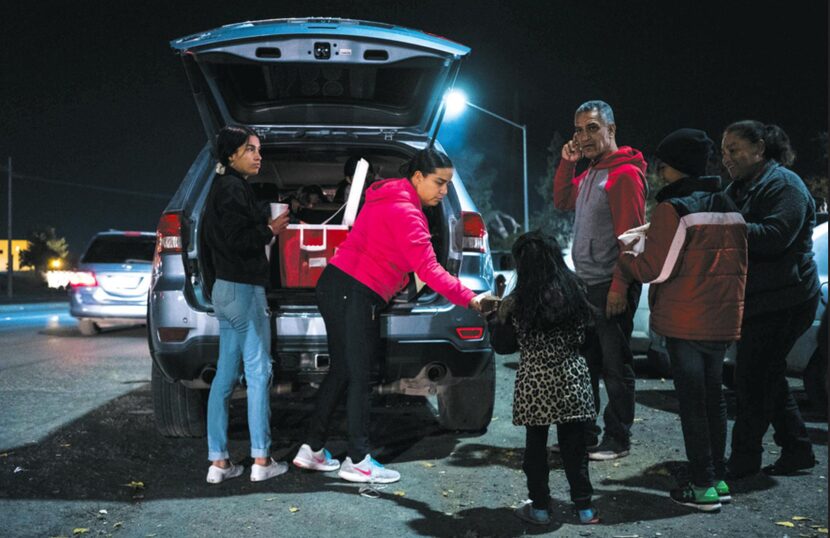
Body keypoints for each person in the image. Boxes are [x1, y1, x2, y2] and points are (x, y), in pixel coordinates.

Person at [292, 148, 485, 483]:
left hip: (336, 285)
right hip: (353, 291)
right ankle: (358, 460)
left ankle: (311, 448)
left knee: (342, 371)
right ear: (418, 177)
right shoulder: (407, 213)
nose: (443, 191)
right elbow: (430, 270)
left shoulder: (387, 197)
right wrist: (472, 300)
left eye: (447, 184)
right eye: (439, 183)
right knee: (361, 375)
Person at [616, 128, 747, 511]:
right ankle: (718, 477)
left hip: (687, 320)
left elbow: (656, 269)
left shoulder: (675, 209)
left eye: (664, 165)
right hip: (722, 316)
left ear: (678, 167)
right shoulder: (728, 203)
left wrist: (627, 258)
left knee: (693, 402)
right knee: (714, 399)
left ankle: (703, 484)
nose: (659, 172)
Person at [721, 121, 820, 478]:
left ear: (760, 149)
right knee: (767, 374)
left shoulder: (785, 185)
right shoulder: (739, 187)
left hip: (788, 300)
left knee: (751, 378)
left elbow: (776, 236)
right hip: (761, 299)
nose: (726, 158)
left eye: (733, 149)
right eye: (723, 151)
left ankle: (745, 459)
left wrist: (722, 226)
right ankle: (797, 449)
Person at [552, 100, 647, 460]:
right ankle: (587, 433)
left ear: (611, 130)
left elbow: (632, 238)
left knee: (615, 366)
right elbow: (562, 201)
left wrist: (620, 287)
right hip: (587, 285)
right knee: (587, 363)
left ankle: (617, 438)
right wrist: (567, 162)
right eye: (578, 129)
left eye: (592, 128)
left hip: (611, 284)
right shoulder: (593, 171)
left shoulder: (623, 174)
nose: (584, 136)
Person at [487, 231, 599, 526]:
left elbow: (504, 346)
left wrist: (495, 319)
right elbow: (589, 339)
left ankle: (539, 508)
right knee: (575, 447)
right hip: (572, 379)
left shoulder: (518, 302)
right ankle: (585, 508)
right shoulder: (576, 291)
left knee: (535, 448)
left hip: (535, 383)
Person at [202, 125, 291, 484]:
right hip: (242, 290)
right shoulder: (234, 190)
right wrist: (271, 229)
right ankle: (261, 460)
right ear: (231, 155)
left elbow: (212, 245)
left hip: (223, 290)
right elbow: (239, 240)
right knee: (257, 374)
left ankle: (219, 462)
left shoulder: (216, 191)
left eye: (258, 150)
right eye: (250, 149)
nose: (258, 156)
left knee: (224, 378)